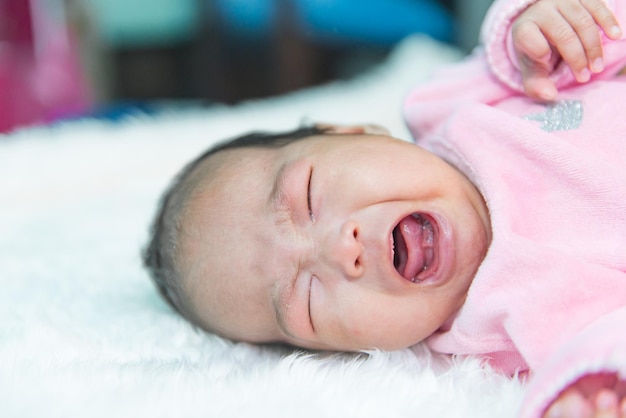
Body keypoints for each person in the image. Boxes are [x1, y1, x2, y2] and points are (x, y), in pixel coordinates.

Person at [143, 0, 626, 416]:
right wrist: (590, 393)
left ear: (355, 132)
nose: (341, 249)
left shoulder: (459, 107)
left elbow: (544, 44)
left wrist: (542, 22)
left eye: (309, 196)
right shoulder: (482, 340)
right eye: (307, 301)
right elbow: (596, 347)